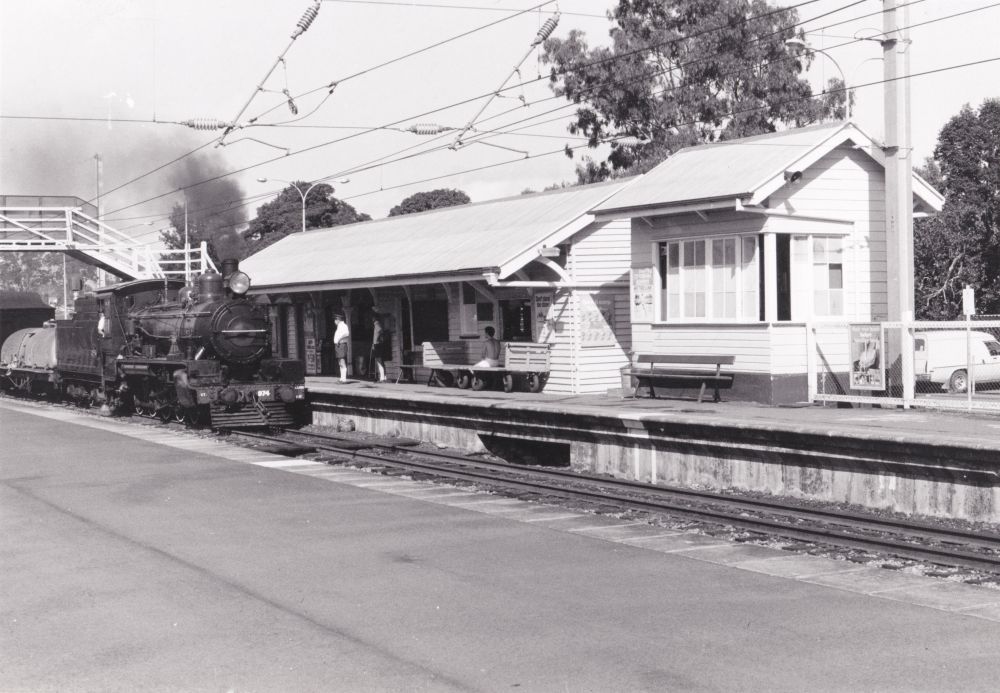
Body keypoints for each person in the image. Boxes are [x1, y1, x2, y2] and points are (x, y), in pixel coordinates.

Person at [371, 315, 390, 382]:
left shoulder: (377, 324)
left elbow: (379, 330)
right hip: (379, 344)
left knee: (379, 361)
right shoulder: (378, 324)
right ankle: (384, 377)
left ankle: (382, 377)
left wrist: (375, 341)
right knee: (381, 361)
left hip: (377, 345)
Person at [333, 313, 350, 383]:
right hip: (339, 345)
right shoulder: (340, 326)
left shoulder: (343, 326)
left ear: (338, 320)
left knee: (342, 362)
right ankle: (341, 378)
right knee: (340, 362)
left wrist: (339, 339)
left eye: (335, 320)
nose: (334, 321)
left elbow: (346, 333)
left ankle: (344, 379)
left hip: (341, 344)